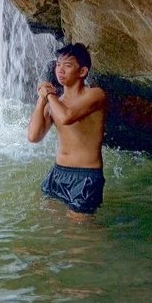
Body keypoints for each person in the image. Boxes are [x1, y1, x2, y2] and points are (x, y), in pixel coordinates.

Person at [28, 42, 107, 215]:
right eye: (58, 64)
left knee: (79, 231)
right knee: (48, 221)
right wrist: (42, 100)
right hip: (58, 172)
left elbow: (67, 117)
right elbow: (34, 136)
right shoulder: (55, 103)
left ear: (82, 72)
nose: (60, 70)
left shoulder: (95, 94)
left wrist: (49, 95)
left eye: (68, 65)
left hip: (85, 175)